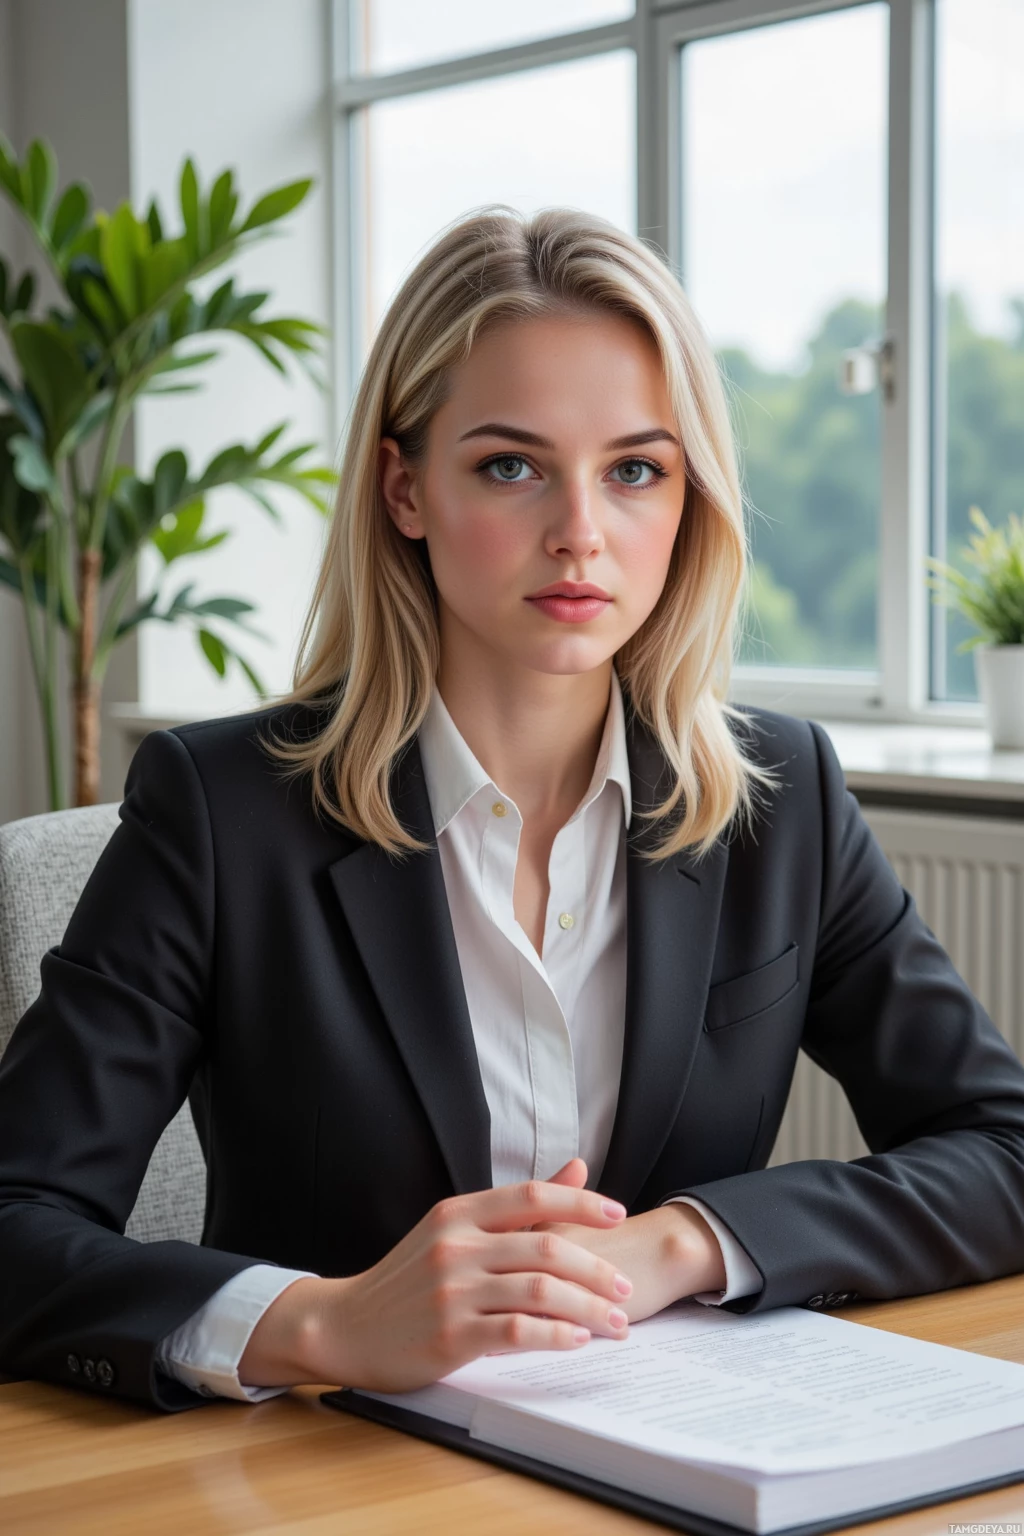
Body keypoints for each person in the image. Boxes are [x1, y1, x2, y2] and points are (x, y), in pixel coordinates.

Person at [2, 208, 1024, 1414]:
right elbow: (19, 1220)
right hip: (330, 1479)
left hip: (676, 1452)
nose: (580, 534)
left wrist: (686, 1241)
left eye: (635, 470)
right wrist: (320, 1320)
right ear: (404, 488)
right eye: (510, 465)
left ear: (688, 500)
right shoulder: (219, 811)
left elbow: (1001, 1152)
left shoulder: (780, 800)